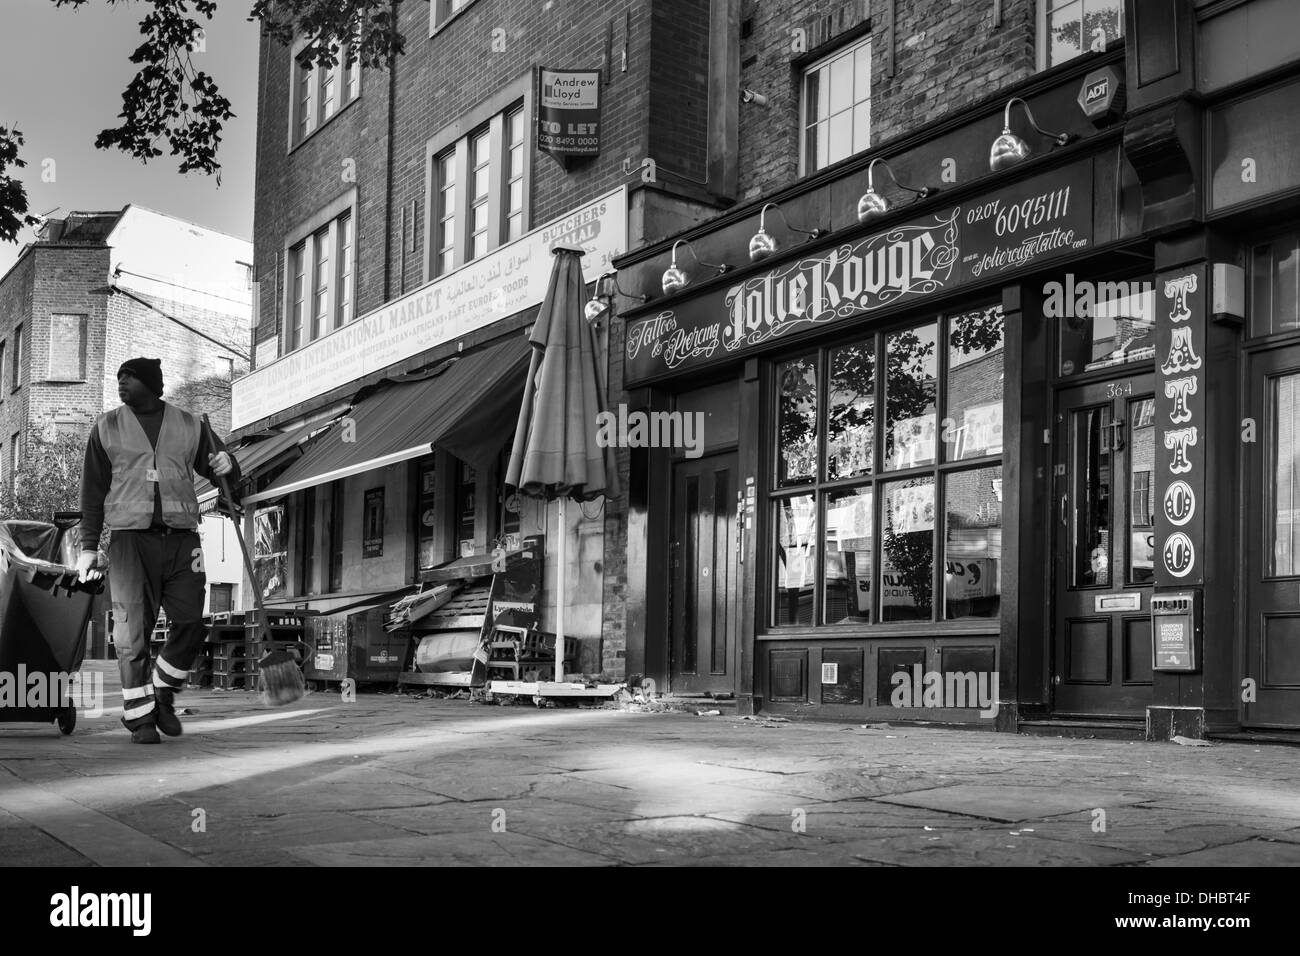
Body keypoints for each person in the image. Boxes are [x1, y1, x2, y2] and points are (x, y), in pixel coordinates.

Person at [75, 358, 241, 744]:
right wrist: (87, 547)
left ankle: (162, 689)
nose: (121, 383)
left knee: (190, 622)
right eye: (119, 376)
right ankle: (140, 718)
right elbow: (92, 494)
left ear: (151, 384)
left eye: (129, 377)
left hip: (182, 540)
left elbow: (222, 471)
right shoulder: (107, 427)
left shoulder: (189, 425)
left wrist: (225, 462)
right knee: (131, 633)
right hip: (130, 543)